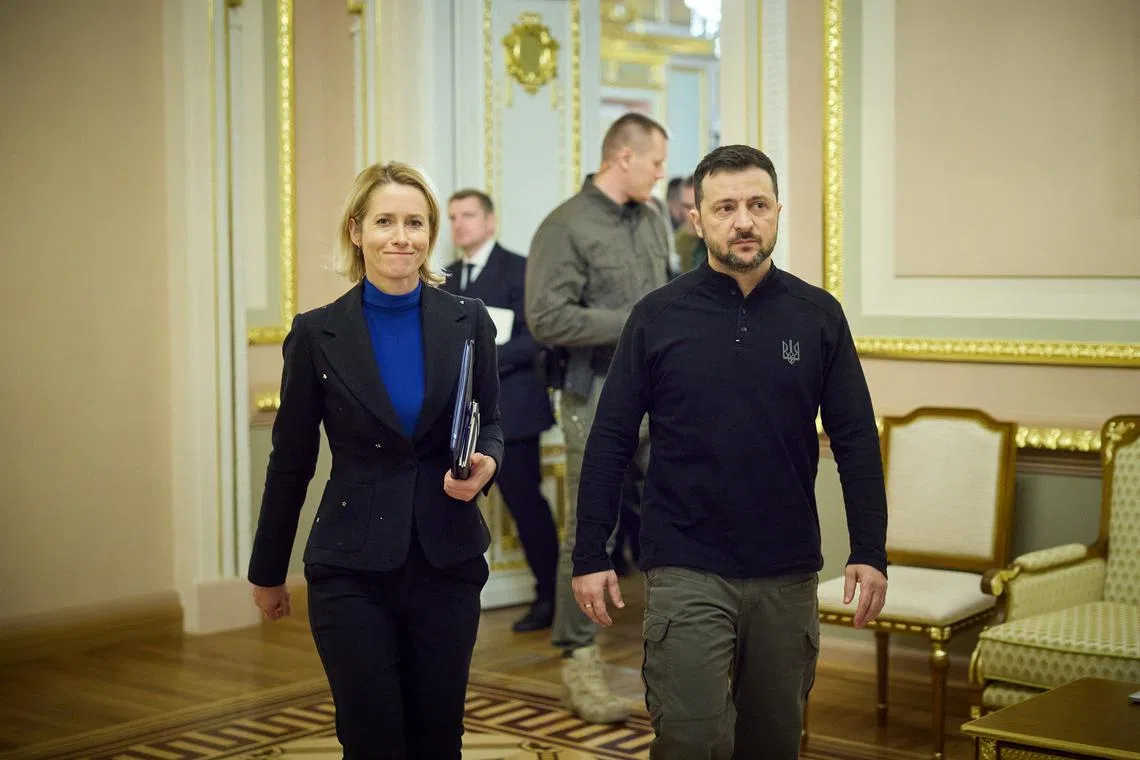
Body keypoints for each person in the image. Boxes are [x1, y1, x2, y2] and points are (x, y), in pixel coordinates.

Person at [570, 144, 889, 759]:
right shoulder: (657, 316)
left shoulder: (818, 315)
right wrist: (590, 551)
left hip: (788, 570)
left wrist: (869, 549)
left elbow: (854, 437)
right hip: (686, 564)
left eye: (757, 205)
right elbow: (609, 438)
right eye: (725, 208)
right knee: (691, 739)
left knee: (772, 743)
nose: (743, 221)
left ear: (776, 212)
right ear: (697, 219)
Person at [247, 161, 504, 760]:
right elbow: (291, 460)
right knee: (372, 739)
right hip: (350, 567)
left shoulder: (469, 321)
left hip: (447, 560)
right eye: (385, 221)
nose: (401, 236)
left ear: (431, 233)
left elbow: (490, 420)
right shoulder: (316, 333)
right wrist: (267, 570)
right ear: (356, 231)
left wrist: (487, 460)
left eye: (416, 222)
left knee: (438, 738)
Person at [525, 111, 672, 724]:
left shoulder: (655, 217)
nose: (662, 175)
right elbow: (546, 317)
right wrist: (637, 320)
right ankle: (578, 661)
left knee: (674, 518)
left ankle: (676, 653)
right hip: (594, 396)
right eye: (657, 163)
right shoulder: (564, 225)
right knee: (591, 532)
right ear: (624, 158)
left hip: (660, 395)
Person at [443, 188, 559, 633]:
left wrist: (486, 356)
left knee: (525, 505)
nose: (459, 224)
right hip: (458, 412)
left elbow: (540, 336)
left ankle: (548, 596)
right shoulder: (444, 275)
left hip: (515, 408)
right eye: (452, 217)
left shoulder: (520, 269)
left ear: (490, 222)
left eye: (468, 215)